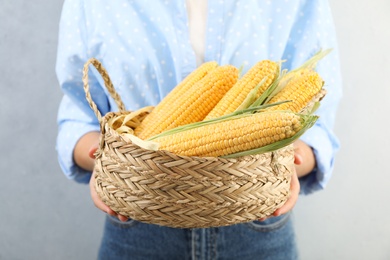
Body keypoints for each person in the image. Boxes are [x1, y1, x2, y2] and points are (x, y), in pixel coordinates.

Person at [55, 0, 342, 259]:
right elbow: (79, 121)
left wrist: (292, 158)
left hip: (255, 220)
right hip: (139, 222)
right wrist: (110, 162)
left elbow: (318, 129)